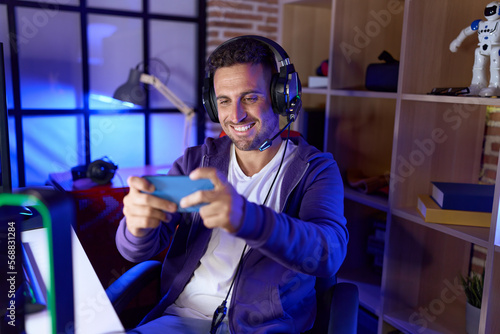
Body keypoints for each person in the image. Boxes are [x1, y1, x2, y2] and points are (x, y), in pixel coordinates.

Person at [116, 35, 348, 334]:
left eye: (250, 97)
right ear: (213, 104)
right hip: (180, 320)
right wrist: (136, 228)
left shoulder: (315, 169)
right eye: (224, 101)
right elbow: (138, 250)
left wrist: (246, 217)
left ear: (282, 98)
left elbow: (328, 255)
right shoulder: (196, 161)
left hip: (264, 328)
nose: (235, 115)